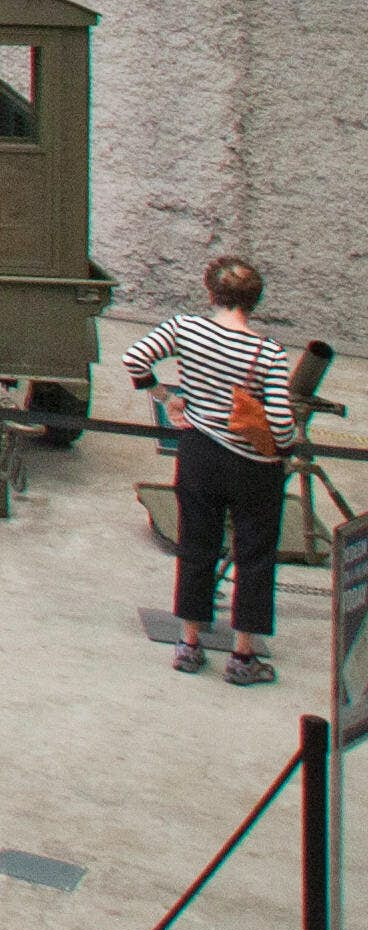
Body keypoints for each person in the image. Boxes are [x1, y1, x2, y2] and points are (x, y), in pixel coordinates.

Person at [139, 253, 301, 687]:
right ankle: (243, 656)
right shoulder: (268, 351)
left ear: (211, 293)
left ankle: (189, 645)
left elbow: (136, 359)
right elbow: (282, 423)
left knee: (196, 545)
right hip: (252, 466)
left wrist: (166, 397)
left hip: (198, 453)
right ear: (255, 301)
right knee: (255, 556)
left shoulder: (184, 328)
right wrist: (280, 447)